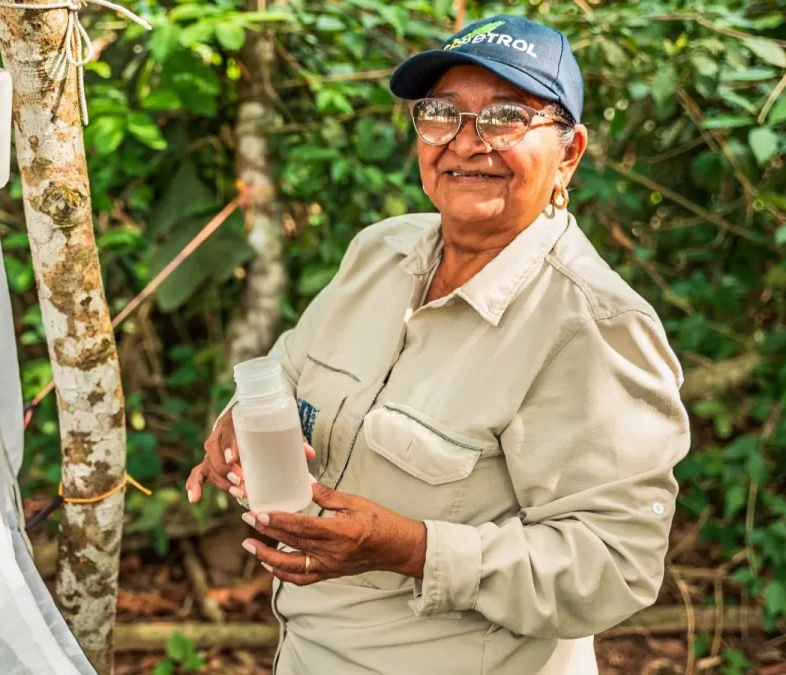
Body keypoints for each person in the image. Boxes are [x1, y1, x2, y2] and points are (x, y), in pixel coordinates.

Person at [186, 14, 690, 675]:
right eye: (440, 114)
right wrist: (238, 423)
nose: (466, 142)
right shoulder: (380, 250)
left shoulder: (592, 322)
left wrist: (414, 549)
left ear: (570, 152)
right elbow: (286, 368)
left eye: (506, 116)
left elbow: (614, 565)